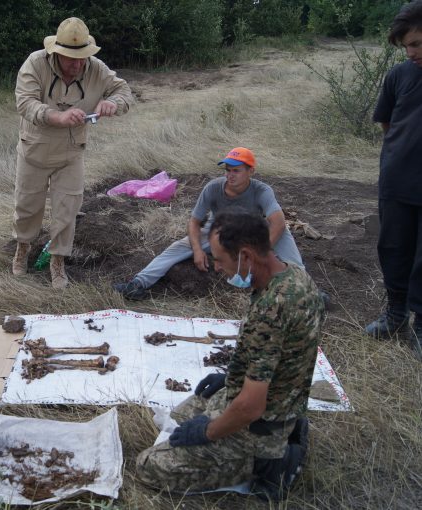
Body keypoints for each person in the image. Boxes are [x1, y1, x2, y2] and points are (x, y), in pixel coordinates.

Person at [135, 210, 324, 501]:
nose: (218, 268)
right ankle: (286, 432)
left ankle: (272, 463)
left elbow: (249, 407)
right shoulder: (293, 276)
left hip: (260, 422)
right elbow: (281, 357)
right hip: (277, 398)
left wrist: (209, 432)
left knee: (149, 465)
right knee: (180, 416)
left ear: (246, 256)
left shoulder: (272, 309)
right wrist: (230, 377)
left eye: (221, 260)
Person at [12, 17, 132, 288]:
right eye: (71, 59)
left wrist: (113, 102)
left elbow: (124, 91)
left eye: (82, 58)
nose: (77, 65)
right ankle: (22, 250)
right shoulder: (35, 63)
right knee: (27, 206)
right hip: (35, 149)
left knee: (67, 210)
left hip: (71, 152)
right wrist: (56, 116)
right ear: (56, 52)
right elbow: (25, 102)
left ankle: (57, 262)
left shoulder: (96, 69)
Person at [114, 147, 303, 300]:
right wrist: (197, 250)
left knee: (282, 233)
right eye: (228, 170)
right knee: (178, 247)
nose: (230, 175)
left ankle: (303, 285)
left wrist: (260, 253)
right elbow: (195, 222)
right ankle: (138, 284)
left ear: (251, 171)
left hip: (251, 228)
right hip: (221, 230)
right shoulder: (213, 188)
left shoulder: (262, 190)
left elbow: (278, 222)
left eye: (236, 170)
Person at [365, 0, 422, 359]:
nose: (412, 52)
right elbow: (388, 123)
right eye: (407, 47)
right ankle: (396, 314)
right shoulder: (399, 76)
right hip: (397, 179)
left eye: (417, 43)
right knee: (394, 248)